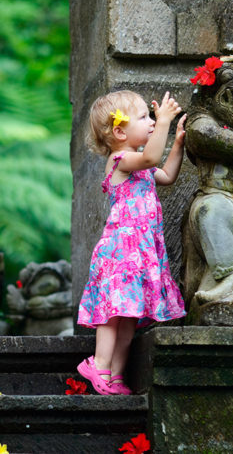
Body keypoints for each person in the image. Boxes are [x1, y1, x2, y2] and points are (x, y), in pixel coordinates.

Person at [76, 90, 187, 395]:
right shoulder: (121, 159)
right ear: (119, 132)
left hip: (140, 252)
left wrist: (176, 143)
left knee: (128, 321)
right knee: (112, 315)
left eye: (152, 117)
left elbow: (165, 174)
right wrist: (164, 120)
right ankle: (97, 365)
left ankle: (115, 376)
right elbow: (152, 156)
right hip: (120, 253)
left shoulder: (142, 165)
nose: (151, 122)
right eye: (144, 117)